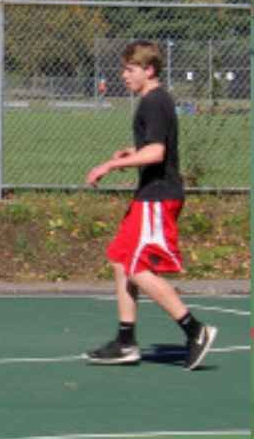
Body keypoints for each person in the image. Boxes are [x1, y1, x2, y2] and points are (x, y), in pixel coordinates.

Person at [84, 40, 217, 370]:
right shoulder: (152, 101)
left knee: (136, 267)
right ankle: (126, 342)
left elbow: (157, 153)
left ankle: (195, 330)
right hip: (148, 195)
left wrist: (110, 166)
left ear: (149, 70)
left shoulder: (153, 102)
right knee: (119, 259)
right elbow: (156, 145)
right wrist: (132, 150)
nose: (124, 75)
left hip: (158, 197)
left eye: (130, 69)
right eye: (124, 68)